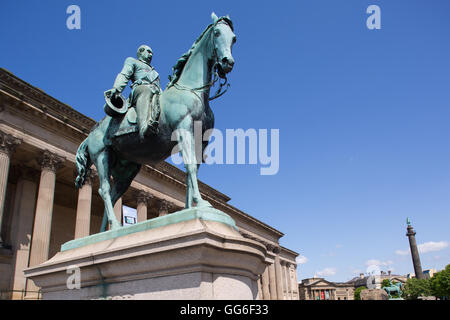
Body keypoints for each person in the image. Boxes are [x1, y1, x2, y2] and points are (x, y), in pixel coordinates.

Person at [105, 45, 161, 140]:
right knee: (145, 90)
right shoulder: (132, 61)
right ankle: (143, 127)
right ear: (140, 52)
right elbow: (124, 75)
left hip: (156, 92)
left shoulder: (155, 72)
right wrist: (116, 88)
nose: (150, 54)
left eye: (151, 53)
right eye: (148, 52)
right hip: (140, 89)